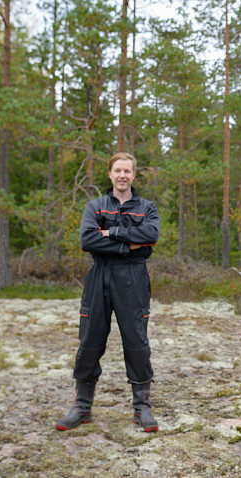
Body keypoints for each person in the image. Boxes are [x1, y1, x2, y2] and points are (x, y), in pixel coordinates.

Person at [56, 152, 161, 432]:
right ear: (110, 174)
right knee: (90, 340)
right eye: (117, 171)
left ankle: (142, 408)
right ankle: (82, 407)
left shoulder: (147, 207)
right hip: (99, 276)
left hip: (134, 279)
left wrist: (110, 233)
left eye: (127, 171)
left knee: (137, 342)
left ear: (134, 175)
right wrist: (129, 243)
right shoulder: (95, 205)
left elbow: (150, 236)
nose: (122, 175)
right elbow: (87, 239)